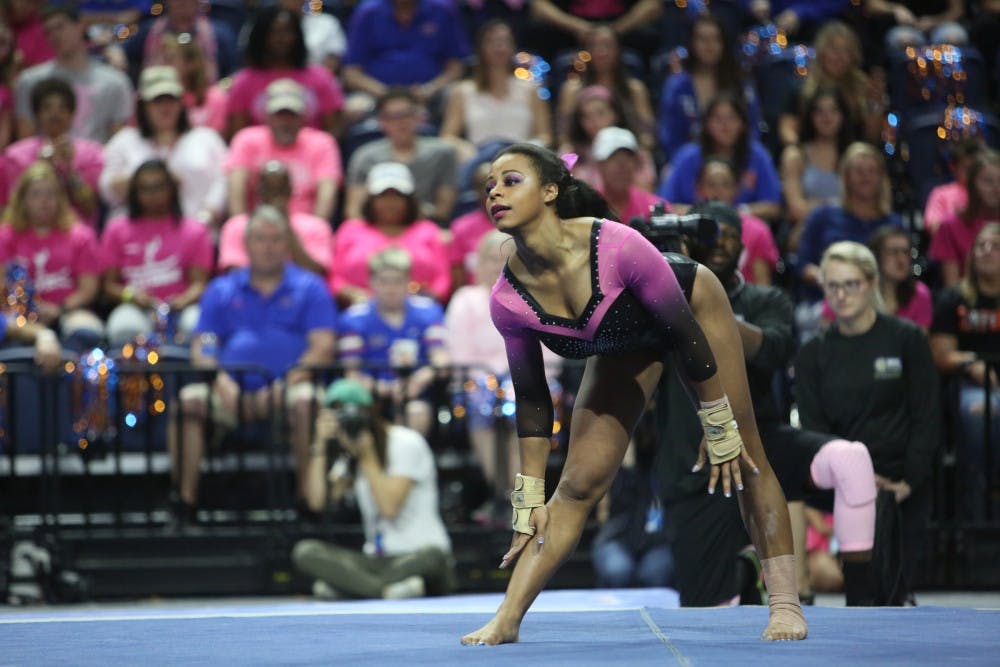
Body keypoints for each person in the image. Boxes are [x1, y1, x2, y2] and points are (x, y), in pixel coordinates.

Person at [460, 143, 806, 645]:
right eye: (489, 185)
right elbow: (533, 403)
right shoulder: (508, 299)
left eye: (510, 180)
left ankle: (785, 605)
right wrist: (527, 497)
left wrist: (718, 423)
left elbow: (685, 335)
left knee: (744, 451)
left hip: (691, 309)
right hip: (622, 342)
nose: (495, 191)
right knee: (577, 484)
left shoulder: (617, 246)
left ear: (551, 190)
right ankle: (508, 617)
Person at [666, 208, 879, 607]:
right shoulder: (659, 302)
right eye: (711, 234)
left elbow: (774, 349)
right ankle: (748, 572)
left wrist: (707, 309)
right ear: (687, 244)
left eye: (730, 235)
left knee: (853, 460)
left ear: (744, 248)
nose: (721, 243)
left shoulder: (767, 299)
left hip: (761, 441)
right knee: (708, 613)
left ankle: (863, 605)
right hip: (692, 459)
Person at [795, 240, 942, 605]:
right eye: (833, 286)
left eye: (852, 284)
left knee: (891, 593)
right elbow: (814, 430)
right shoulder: (814, 352)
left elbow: (926, 414)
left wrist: (909, 480)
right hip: (843, 488)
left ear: (872, 283)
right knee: (861, 595)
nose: (842, 295)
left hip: (903, 483)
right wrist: (853, 480)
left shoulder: (906, 338)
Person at [170, 205, 338, 522]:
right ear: (246, 245)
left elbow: (323, 347)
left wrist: (284, 384)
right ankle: (185, 504)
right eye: (260, 239)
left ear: (288, 245)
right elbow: (204, 345)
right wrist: (220, 382)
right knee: (187, 404)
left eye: (276, 239)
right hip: (228, 390)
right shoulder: (220, 289)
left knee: (309, 405)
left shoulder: (310, 287)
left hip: (291, 387)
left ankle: (308, 503)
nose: (268, 246)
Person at [292, 378, 455, 600]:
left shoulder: (405, 442)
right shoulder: (349, 456)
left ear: (371, 412)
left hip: (417, 556)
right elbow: (317, 502)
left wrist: (368, 458)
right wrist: (319, 445)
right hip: (377, 560)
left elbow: (389, 508)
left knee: (433, 556)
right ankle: (388, 590)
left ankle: (355, 588)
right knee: (306, 551)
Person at [444, 230, 563, 523]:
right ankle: (503, 494)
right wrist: (493, 379)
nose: (495, 266)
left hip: (531, 377)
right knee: (485, 397)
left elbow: (552, 351)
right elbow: (460, 354)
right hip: (480, 380)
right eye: (489, 259)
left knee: (519, 403)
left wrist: (519, 380)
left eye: (503, 259)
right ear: (478, 263)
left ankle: (522, 496)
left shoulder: (537, 296)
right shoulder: (466, 299)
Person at [99, 159, 214, 347]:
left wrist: (183, 300)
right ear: (135, 192)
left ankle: (191, 377)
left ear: (171, 189)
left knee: (195, 325)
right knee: (123, 327)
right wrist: (130, 296)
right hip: (134, 305)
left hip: (182, 307)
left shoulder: (195, 231)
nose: (152, 194)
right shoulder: (116, 229)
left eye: (159, 187)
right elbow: (108, 285)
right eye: (145, 188)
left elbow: (200, 283)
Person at [337, 246, 449, 436]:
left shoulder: (429, 312)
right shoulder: (353, 319)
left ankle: (407, 466)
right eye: (384, 281)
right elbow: (351, 372)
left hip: (417, 394)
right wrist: (383, 389)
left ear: (408, 281)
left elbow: (441, 358)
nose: (390, 289)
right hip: (369, 397)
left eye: (397, 281)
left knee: (417, 412)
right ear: (371, 282)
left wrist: (418, 380)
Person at [929, 222, 1000, 519]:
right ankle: (978, 494)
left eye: (995, 246)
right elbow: (940, 355)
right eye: (980, 245)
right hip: (969, 384)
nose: (985, 251)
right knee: (981, 408)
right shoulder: (954, 298)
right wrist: (972, 364)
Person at [100, 65, 228, 226]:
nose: (165, 108)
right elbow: (106, 189)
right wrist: (154, 180)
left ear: (181, 103)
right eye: (157, 101)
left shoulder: (207, 138)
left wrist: (205, 217)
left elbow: (223, 181)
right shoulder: (124, 141)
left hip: (197, 232)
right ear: (143, 105)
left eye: (171, 100)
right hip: (137, 236)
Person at [0, 161, 103, 349]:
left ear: (60, 199)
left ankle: (69, 378)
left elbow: (88, 288)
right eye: (36, 194)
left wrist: (60, 308)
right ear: (22, 200)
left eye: (50, 194)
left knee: (87, 333)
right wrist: (28, 310)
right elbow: (2, 285)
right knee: (13, 341)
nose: (44, 201)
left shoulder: (80, 236)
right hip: (19, 314)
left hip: (68, 310)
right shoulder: (6, 236)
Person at [331, 162, 451, 305]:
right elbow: (335, 278)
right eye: (383, 196)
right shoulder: (350, 230)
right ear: (371, 200)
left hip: (419, 311)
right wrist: (357, 297)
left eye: (398, 196)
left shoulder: (428, 230)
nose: (390, 202)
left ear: (409, 200)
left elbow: (442, 279)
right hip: (360, 312)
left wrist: (420, 302)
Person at [225, 78, 342, 222]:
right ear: (265, 115)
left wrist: (315, 227)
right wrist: (241, 226)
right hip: (256, 227)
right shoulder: (246, 139)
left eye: (291, 115)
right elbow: (236, 189)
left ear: (304, 116)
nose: (285, 122)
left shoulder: (322, 143)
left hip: (304, 226)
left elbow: (327, 195)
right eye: (279, 115)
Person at [13, 5, 134, 144]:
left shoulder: (115, 82)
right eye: (48, 32)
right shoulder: (30, 81)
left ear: (80, 26)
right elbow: (26, 141)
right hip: (45, 161)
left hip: (98, 160)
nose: (54, 36)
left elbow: (120, 142)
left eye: (60, 27)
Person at [439, 19, 552, 164]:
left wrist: (526, 153)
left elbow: (545, 136)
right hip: (480, 161)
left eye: (505, 41)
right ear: (480, 48)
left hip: (520, 160)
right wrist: (466, 149)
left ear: (513, 47)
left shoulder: (530, 89)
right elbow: (447, 136)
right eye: (492, 41)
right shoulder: (463, 91)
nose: (499, 47)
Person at [659, 92, 781, 223]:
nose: (725, 126)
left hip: (743, 227)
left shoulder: (757, 155)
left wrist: (734, 213)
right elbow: (664, 205)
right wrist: (703, 213)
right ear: (706, 124)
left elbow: (773, 206)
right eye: (718, 119)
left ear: (743, 124)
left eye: (731, 118)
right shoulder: (687, 157)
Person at [224, 6, 343, 138]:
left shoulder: (321, 77)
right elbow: (238, 135)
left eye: (287, 32)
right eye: (273, 32)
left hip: (310, 155)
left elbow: (333, 131)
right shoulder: (244, 81)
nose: (280, 39)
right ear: (261, 37)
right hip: (259, 155)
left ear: (298, 36)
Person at [344, 88, 458, 226]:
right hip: (376, 231)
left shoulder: (442, 153)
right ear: (381, 121)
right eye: (392, 117)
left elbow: (443, 210)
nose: (400, 122)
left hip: (426, 227)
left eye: (406, 115)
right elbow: (353, 211)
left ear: (419, 117)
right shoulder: (365, 156)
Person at [656, 14, 762, 162]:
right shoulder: (677, 85)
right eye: (702, 39)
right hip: (689, 163)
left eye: (715, 39)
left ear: (724, 43)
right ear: (692, 43)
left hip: (737, 162)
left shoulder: (741, 83)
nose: (709, 45)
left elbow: (753, 129)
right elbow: (670, 135)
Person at [340, 0, 470, 115]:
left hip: (433, 93)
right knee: (353, 108)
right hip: (377, 93)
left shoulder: (443, 9)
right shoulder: (367, 11)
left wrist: (430, 89)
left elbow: (456, 67)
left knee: (460, 97)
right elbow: (351, 73)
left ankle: (450, 139)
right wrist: (387, 94)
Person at [3, 77, 103, 227]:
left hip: (74, 237)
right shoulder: (15, 155)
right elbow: (11, 207)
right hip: (26, 236)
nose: (55, 114)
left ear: (72, 115)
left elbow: (90, 208)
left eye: (62, 109)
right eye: (47, 108)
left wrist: (70, 169)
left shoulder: (92, 154)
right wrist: (42, 164)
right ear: (37, 114)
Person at [218, 160, 332, 276]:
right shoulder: (237, 226)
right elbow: (234, 274)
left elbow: (317, 273)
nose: (274, 198)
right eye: (268, 190)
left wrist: (285, 226)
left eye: (280, 190)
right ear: (259, 191)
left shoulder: (316, 227)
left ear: (290, 191)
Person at [555, 24, 655, 152]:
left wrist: (635, 154)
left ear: (618, 50)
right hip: (583, 158)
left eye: (607, 45)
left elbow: (647, 136)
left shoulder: (635, 89)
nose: (601, 51)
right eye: (595, 46)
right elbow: (563, 137)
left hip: (625, 157)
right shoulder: (571, 90)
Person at [779, 86, 856, 251]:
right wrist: (837, 205)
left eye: (833, 111)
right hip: (807, 230)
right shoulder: (795, 155)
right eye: (819, 112)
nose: (826, 117)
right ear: (810, 116)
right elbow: (796, 209)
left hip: (850, 230)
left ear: (843, 116)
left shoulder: (854, 155)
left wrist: (817, 204)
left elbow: (862, 206)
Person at [690, 160, 779, 286]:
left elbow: (763, 285)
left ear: (736, 188)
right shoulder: (688, 227)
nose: (718, 191)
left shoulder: (758, 230)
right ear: (699, 188)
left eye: (725, 185)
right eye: (711, 184)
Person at [929, 148, 1000, 288]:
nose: (996, 188)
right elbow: (952, 288)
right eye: (988, 181)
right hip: (969, 303)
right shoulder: (950, 225)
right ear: (972, 185)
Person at [591, 126, 669, 226]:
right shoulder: (585, 209)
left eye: (627, 157)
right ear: (599, 165)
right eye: (614, 158)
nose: (622, 166)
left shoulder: (654, 209)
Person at [923, 137, 983, 237]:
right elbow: (934, 228)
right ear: (953, 167)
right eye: (967, 168)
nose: (973, 173)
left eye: (976, 167)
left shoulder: (988, 191)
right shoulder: (940, 193)